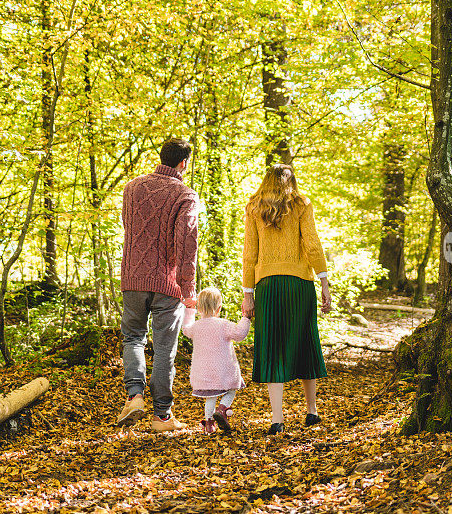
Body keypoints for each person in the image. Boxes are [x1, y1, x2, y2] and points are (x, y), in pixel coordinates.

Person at [241, 163, 332, 435]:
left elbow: (249, 253)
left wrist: (248, 294)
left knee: (273, 347)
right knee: (305, 342)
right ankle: (312, 412)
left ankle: (277, 420)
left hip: (267, 285)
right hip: (300, 284)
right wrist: (325, 282)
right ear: (291, 180)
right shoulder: (301, 203)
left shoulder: (254, 206)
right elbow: (312, 243)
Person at [116, 137, 199, 433]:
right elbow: (187, 246)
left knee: (133, 338)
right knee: (165, 349)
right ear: (183, 163)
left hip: (134, 278)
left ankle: (134, 396)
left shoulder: (133, 187)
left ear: (162, 157)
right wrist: (188, 291)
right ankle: (162, 416)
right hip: (168, 284)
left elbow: (130, 229)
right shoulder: (185, 195)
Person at [182, 287, 251, 433]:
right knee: (232, 389)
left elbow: (185, 329)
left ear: (199, 307)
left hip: (203, 372)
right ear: (219, 307)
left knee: (210, 397)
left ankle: (209, 425)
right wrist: (246, 317)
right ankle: (222, 409)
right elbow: (240, 333)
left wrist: (189, 310)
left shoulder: (196, 327)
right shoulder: (223, 325)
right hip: (223, 370)